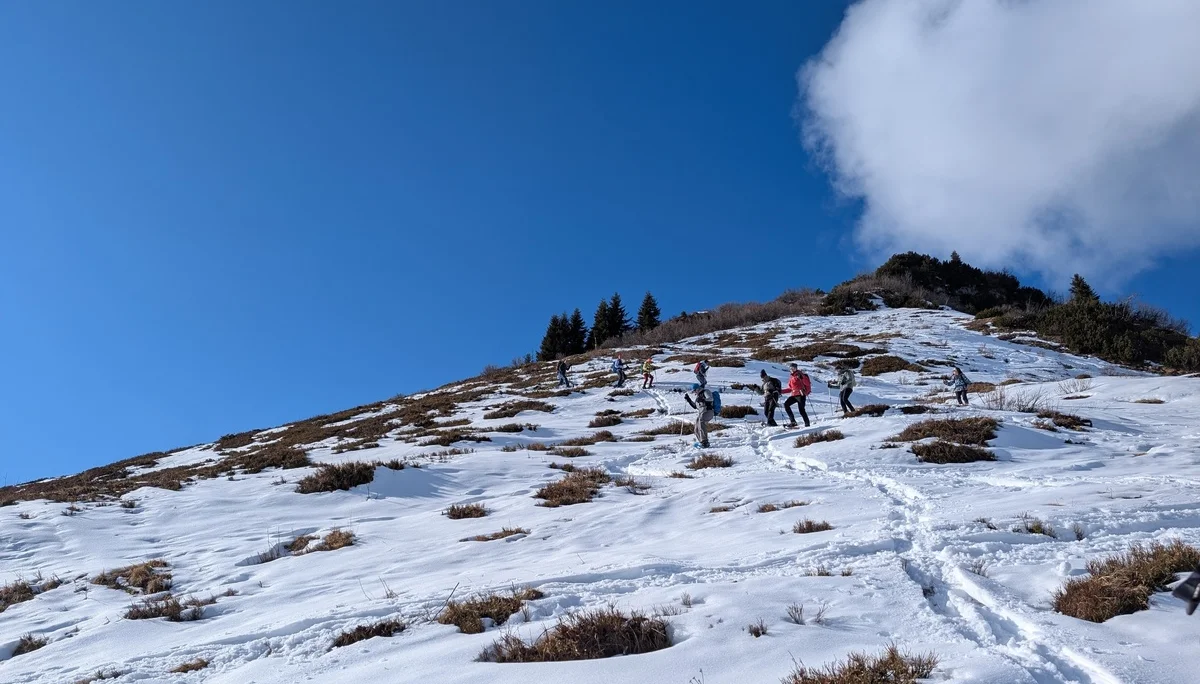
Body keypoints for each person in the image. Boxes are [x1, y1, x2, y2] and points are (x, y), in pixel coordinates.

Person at [683, 383, 715, 448]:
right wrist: (688, 399)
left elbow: (711, 399)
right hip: (701, 413)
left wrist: (703, 399)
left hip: (708, 411)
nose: (694, 392)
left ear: (697, 389)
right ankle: (701, 442)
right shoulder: (698, 396)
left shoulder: (706, 391)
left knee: (701, 422)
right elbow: (695, 406)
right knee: (696, 428)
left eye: (694, 390)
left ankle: (705, 442)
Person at [783, 363, 812, 428]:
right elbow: (790, 388)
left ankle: (807, 424)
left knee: (801, 410)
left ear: (796, 368)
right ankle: (793, 422)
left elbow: (807, 384)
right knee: (786, 404)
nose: (792, 370)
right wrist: (781, 391)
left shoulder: (800, 375)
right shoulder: (792, 377)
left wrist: (802, 377)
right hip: (794, 395)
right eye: (791, 369)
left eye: (793, 368)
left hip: (801, 395)